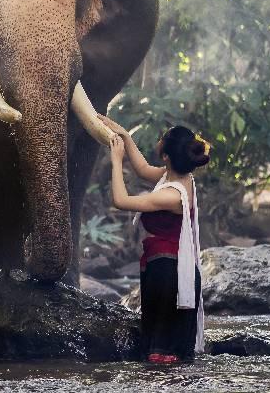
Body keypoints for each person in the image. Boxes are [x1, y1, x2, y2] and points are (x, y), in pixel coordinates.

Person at [100, 114, 211, 364]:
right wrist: (125, 136)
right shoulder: (180, 177)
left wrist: (116, 161)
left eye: (162, 140)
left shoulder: (172, 195)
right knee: (167, 351)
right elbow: (142, 169)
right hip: (165, 267)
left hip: (168, 273)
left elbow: (121, 201)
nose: (159, 140)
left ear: (166, 156)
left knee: (162, 352)